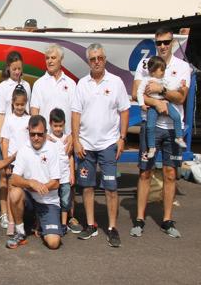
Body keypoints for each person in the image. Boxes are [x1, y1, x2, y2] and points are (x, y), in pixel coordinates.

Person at [130, 27, 191, 239]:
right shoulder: (145, 64)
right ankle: (139, 219)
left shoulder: (182, 67)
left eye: (166, 42)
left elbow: (181, 98)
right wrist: (155, 100)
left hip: (172, 129)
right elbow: (135, 92)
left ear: (173, 42)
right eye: (159, 43)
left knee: (170, 174)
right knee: (145, 172)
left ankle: (167, 220)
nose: (163, 46)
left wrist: (161, 90)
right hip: (150, 126)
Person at [72, 43, 130, 247]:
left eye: (100, 58)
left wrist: (122, 138)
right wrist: (76, 140)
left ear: (105, 59)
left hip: (108, 144)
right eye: (93, 59)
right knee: (87, 187)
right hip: (86, 146)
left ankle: (112, 228)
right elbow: (76, 113)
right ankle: (90, 224)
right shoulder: (82, 84)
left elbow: (124, 111)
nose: (97, 62)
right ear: (88, 61)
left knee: (111, 188)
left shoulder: (116, 82)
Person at [8, 115, 62, 250]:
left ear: (45, 133)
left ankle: (42, 223)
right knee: (15, 192)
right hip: (30, 199)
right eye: (33, 134)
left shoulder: (53, 149)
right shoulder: (23, 149)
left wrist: (41, 187)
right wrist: (31, 183)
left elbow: (56, 183)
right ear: (29, 133)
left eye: (40, 134)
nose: (36, 138)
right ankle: (20, 232)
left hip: (48, 202)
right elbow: (13, 178)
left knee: (53, 243)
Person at [136, 55, 187, 159]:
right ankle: (151, 147)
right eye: (161, 70)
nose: (164, 72)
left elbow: (172, 87)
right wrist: (142, 104)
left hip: (166, 103)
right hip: (152, 107)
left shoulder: (164, 80)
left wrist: (180, 85)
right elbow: (139, 92)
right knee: (150, 126)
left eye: (164, 69)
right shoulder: (146, 80)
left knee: (176, 117)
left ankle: (179, 137)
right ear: (153, 71)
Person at [0, 85, 31, 235]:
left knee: (24, 192)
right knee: (12, 193)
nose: (19, 107)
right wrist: (6, 162)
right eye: (17, 104)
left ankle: (23, 221)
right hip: (12, 162)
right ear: (12, 103)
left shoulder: (29, 119)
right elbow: (4, 141)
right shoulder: (9, 119)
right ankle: (11, 224)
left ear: (26, 103)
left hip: (26, 163)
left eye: (22, 104)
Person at [30, 44, 76, 135]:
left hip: (66, 140)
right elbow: (34, 111)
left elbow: (75, 112)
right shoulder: (39, 84)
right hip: (45, 139)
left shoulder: (71, 84)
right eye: (47, 58)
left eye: (53, 58)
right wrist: (41, 134)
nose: (49, 61)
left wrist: (72, 136)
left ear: (61, 59)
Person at [49, 108, 82, 234]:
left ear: (64, 124)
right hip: (53, 177)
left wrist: (72, 174)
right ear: (50, 124)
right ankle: (55, 221)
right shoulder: (48, 139)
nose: (58, 128)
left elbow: (70, 157)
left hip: (65, 176)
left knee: (65, 201)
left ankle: (63, 224)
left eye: (60, 126)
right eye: (55, 126)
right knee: (53, 200)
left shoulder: (67, 140)